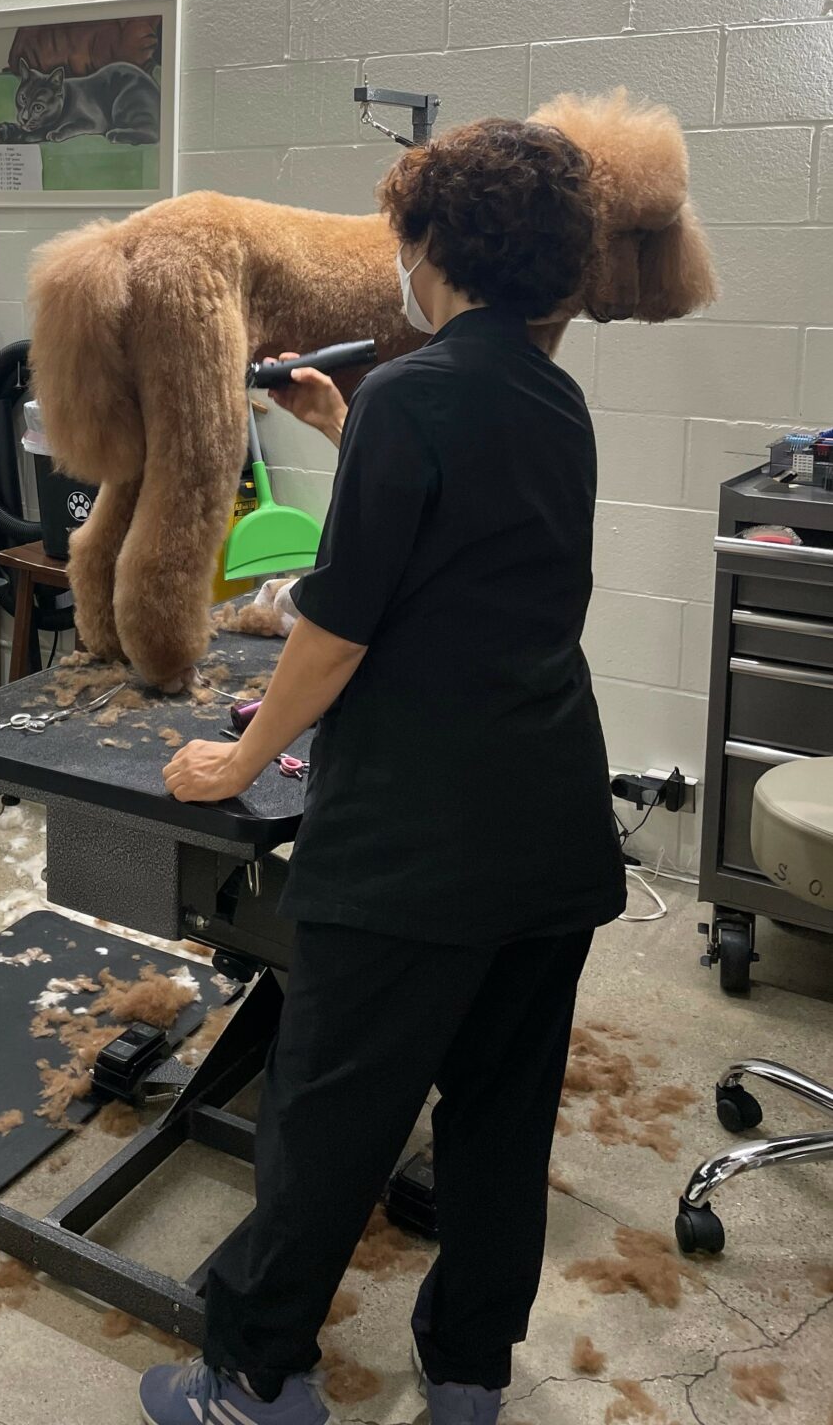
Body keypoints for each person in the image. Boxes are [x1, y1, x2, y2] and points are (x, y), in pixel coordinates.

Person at [139, 118, 627, 1425]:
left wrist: (232, 758)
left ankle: (254, 1380)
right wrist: (350, 423)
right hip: (554, 833)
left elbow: (342, 625)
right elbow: (460, 538)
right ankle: (468, 1375)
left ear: (435, 247)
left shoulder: (423, 393)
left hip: (417, 841)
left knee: (330, 1119)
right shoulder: (552, 399)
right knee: (500, 1125)